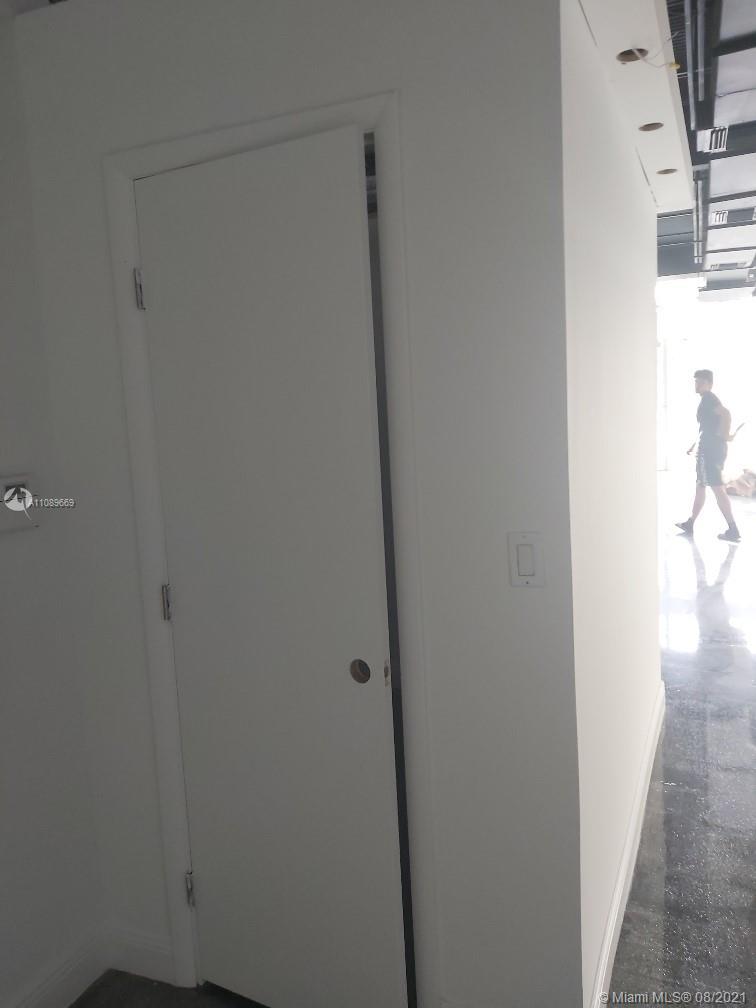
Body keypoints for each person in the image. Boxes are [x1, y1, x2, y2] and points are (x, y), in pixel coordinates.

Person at [676, 369, 741, 542]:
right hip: (709, 449)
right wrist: (695, 444)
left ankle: (733, 529)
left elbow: (726, 414)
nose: (697, 384)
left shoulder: (709, 399)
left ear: (710, 384)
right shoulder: (706, 400)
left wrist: (724, 435)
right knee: (701, 486)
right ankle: (690, 523)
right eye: (696, 381)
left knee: (717, 488)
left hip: (710, 451)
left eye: (701, 382)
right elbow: (706, 427)